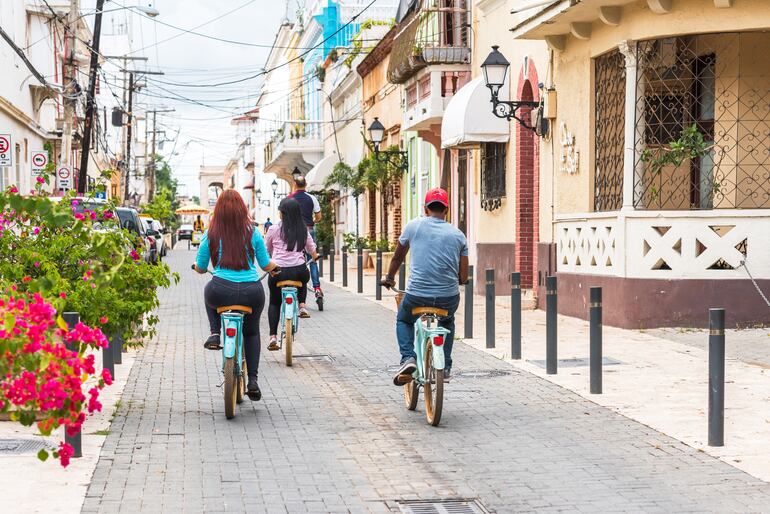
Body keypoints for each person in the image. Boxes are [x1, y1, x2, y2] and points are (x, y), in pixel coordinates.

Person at [193, 190, 279, 401]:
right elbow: (265, 264)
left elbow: (202, 266)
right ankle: (253, 381)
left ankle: (215, 332)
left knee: (207, 292)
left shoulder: (211, 233)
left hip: (220, 290)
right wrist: (274, 267)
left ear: (218, 210)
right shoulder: (253, 232)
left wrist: (197, 268)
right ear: (243, 209)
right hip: (251, 292)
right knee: (251, 333)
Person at [381, 188, 469, 385]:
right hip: (448, 297)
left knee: (404, 320)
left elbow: (397, 257)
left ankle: (408, 358)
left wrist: (389, 278)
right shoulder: (458, 235)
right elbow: (463, 276)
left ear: (425, 208)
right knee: (447, 322)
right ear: (446, 209)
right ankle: (445, 366)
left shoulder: (413, 226)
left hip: (416, 296)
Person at [265, 198, 318, 350]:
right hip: (299, 271)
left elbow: (265, 249)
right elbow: (311, 249)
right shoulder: (303, 229)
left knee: (274, 302)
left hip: (278, 271)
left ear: (282, 213)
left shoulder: (273, 229)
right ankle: (302, 305)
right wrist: (315, 256)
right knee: (304, 277)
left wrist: (270, 258)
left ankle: (273, 337)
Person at [288, 177, 323, 299]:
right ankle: (317, 288)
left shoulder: (289, 199)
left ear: (295, 185)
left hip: (293, 231)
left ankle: (294, 287)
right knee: (312, 260)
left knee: (293, 258)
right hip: (309, 229)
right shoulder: (312, 198)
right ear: (306, 184)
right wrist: (312, 221)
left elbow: (282, 217)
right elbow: (319, 216)